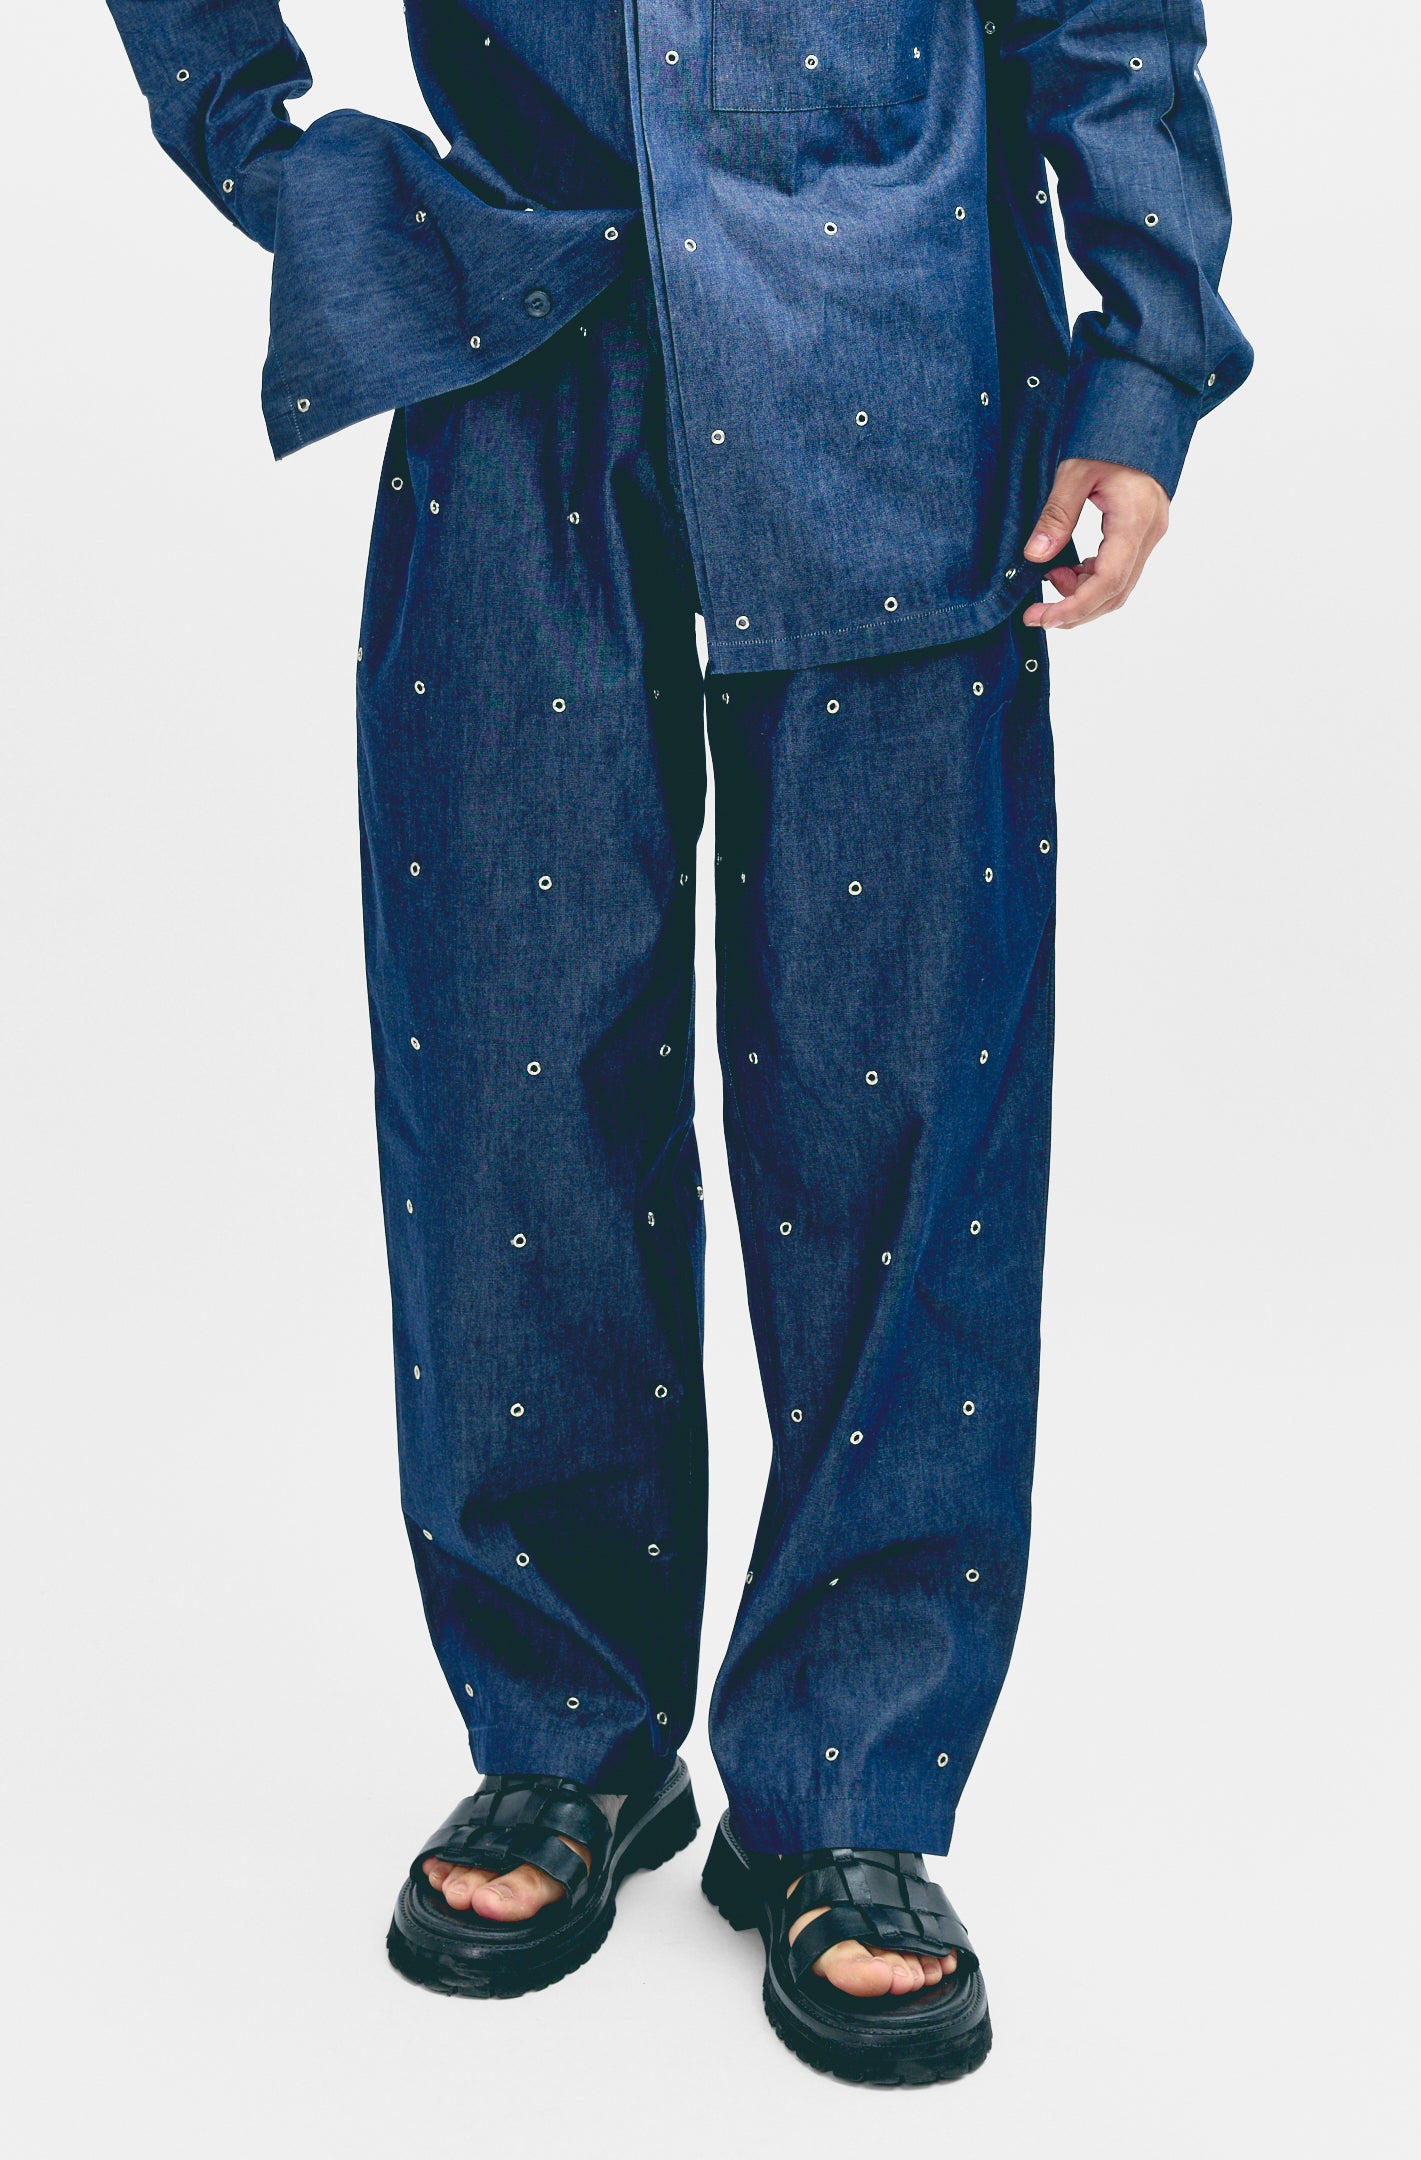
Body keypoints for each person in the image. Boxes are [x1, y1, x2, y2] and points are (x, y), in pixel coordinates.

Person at [105, 0, 1250, 2085]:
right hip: (520, 342)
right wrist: (280, 162)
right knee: (509, 1080)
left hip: (899, 368)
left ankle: (849, 1792)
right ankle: (567, 1734)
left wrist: (1148, 350)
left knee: (902, 1111)